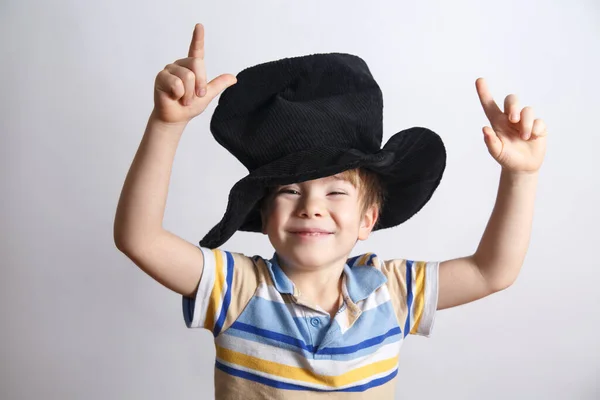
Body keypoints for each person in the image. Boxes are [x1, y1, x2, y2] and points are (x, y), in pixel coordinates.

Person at [114, 23, 547, 399]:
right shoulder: (236, 289)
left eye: (335, 192)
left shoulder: (392, 292)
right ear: (263, 216)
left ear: (368, 219)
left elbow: (493, 271)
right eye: (289, 189)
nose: (311, 207)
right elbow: (140, 239)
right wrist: (166, 125)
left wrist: (521, 176)